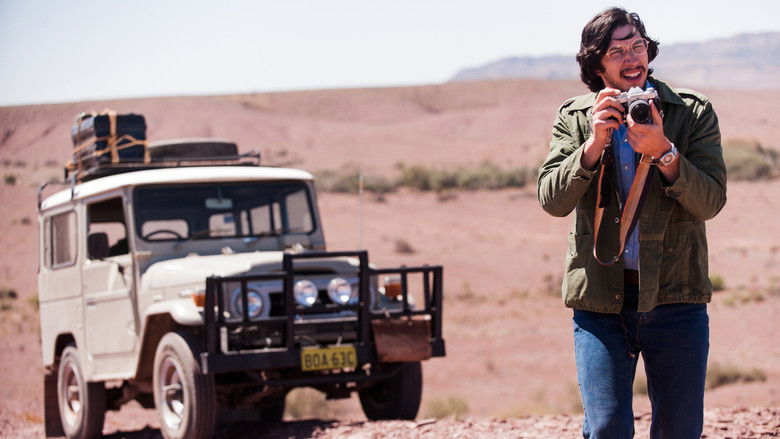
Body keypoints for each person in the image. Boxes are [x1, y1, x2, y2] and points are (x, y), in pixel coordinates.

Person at [537, 7, 726, 438]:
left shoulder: (690, 112)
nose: (631, 58)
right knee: (606, 427)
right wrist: (592, 145)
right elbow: (551, 200)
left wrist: (664, 152)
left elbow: (711, 201)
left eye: (637, 46)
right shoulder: (575, 117)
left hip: (676, 295)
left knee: (679, 429)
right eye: (617, 51)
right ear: (596, 65)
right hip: (600, 300)